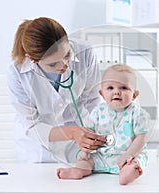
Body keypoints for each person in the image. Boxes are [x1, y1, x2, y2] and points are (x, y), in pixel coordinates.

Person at [7, 17, 106, 163]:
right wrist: (73, 132)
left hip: (78, 147)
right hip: (39, 152)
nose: (64, 64)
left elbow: (93, 101)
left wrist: (97, 131)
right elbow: (32, 126)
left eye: (67, 55)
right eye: (53, 64)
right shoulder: (17, 72)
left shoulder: (85, 53)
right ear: (33, 60)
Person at [57, 64, 150, 185]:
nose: (117, 92)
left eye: (123, 88)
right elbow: (89, 134)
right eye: (110, 88)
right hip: (102, 156)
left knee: (136, 162)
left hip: (128, 156)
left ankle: (127, 173)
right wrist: (85, 151)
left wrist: (129, 154)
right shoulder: (98, 112)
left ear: (134, 95)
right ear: (102, 94)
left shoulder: (137, 114)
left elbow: (141, 138)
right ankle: (79, 170)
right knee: (86, 161)